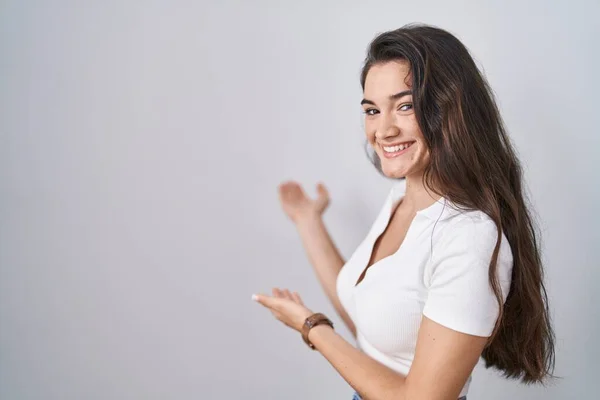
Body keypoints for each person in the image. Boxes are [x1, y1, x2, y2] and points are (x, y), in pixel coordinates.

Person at [252, 24, 555, 400]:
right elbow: (369, 320)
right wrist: (307, 220)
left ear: (450, 109)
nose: (384, 129)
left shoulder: (468, 236)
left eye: (405, 106)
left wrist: (311, 326)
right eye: (372, 110)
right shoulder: (401, 199)